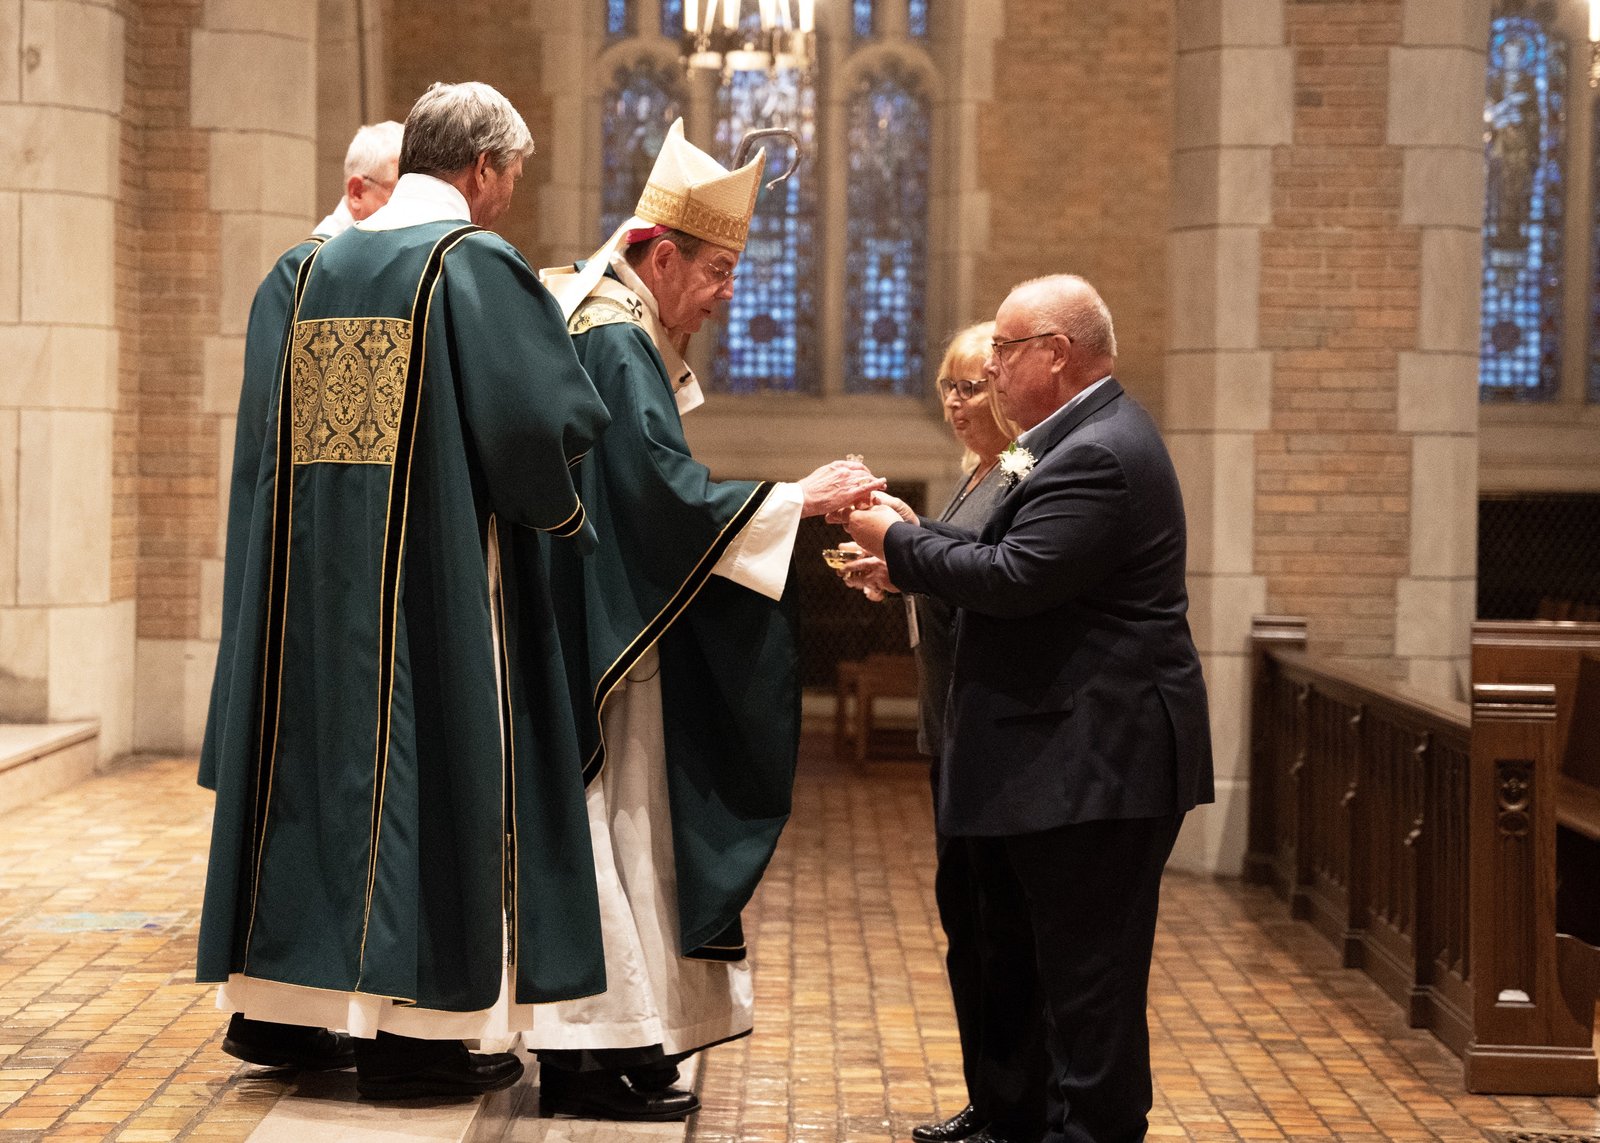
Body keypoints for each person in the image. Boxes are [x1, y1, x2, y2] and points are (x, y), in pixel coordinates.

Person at [195, 81, 613, 1101]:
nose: (505, 198)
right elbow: (539, 426)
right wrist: (563, 505)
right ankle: (418, 1038)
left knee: (312, 776)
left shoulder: (306, 269)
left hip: (305, 587)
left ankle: (289, 1014)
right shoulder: (467, 265)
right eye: (508, 177)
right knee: (427, 770)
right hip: (429, 583)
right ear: (479, 169)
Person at [520, 118, 883, 1121]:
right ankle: (588, 1050)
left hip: (607, 618)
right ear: (661, 254)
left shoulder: (615, 326)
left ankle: (631, 1035)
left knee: (633, 828)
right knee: (612, 824)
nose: (727, 296)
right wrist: (793, 501)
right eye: (718, 271)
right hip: (605, 634)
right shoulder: (614, 336)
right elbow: (657, 496)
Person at [844, 274, 1213, 1143]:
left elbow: (1013, 576)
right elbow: (991, 538)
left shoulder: (1098, 451)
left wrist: (895, 541)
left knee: (1091, 993)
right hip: (1056, 755)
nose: (992, 370)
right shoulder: (1046, 445)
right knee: (1031, 963)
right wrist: (916, 544)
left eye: (1004, 352)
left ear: (1056, 353)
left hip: (1100, 760)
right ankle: (1018, 1116)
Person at [841, 323, 1047, 1143]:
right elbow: (957, 561)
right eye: (948, 389)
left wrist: (907, 543)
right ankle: (990, 1098)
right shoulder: (975, 476)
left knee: (1005, 931)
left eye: (974, 387)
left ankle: (1017, 1104)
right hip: (951, 731)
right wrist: (902, 562)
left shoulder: (1027, 466)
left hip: (994, 738)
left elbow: (998, 574)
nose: (960, 404)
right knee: (968, 925)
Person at [199, 119, 404, 817]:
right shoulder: (300, 276)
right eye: (403, 195)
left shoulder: (371, 274)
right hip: (303, 536)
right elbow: (274, 436)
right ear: (358, 191)